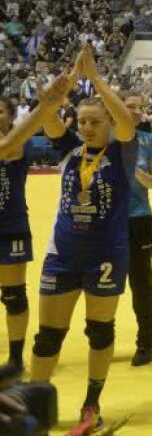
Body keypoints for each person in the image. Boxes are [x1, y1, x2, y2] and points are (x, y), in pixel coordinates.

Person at [32, 45, 137, 427]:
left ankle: (92, 402)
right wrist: (68, 82)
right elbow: (47, 114)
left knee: (99, 330)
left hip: (107, 255)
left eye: (95, 121)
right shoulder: (69, 150)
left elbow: (126, 119)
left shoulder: (123, 151)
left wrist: (94, 77)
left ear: (107, 123)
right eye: (83, 122)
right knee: (48, 337)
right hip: (63, 253)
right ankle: (35, 407)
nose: (88, 128)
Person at [0, 81, 75, 371]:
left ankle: (16, 358)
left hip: (10, 227)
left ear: (10, 116)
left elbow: (7, 148)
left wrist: (45, 107)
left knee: (13, 294)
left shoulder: (19, 144)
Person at [121, 92, 152, 366]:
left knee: (141, 284)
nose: (135, 112)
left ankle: (146, 343)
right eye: (129, 107)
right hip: (107, 222)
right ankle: (101, 337)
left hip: (139, 220)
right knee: (102, 284)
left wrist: (136, 173)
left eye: (139, 108)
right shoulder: (108, 138)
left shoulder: (149, 142)